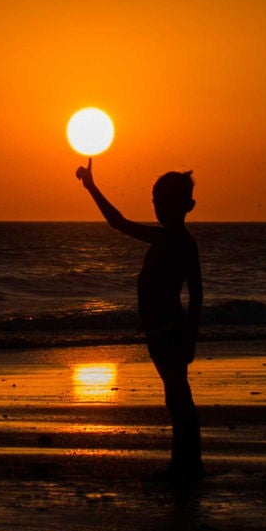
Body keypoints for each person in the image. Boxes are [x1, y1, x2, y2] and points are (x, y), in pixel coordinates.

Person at [76, 158, 203, 481]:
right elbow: (118, 223)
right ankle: (186, 464)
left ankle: (186, 465)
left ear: (188, 206)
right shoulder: (161, 238)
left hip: (171, 330)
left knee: (178, 396)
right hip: (159, 331)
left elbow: (197, 294)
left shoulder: (182, 242)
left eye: (166, 202)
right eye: (156, 201)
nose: (159, 208)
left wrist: (190, 337)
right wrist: (92, 188)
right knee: (176, 396)